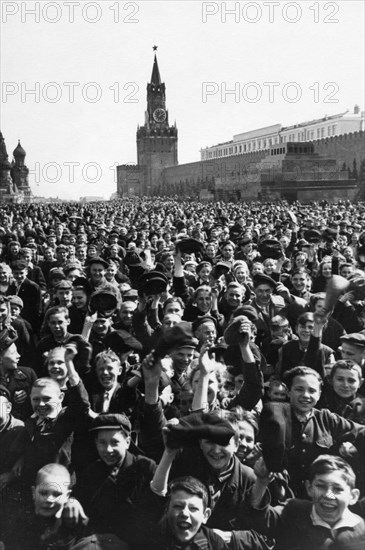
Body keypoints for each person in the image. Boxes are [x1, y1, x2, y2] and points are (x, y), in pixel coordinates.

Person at [251, 455, 365, 550]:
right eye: (320, 486)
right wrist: (261, 482)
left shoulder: (361, 532)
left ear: (353, 496)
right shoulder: (294, 510)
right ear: (309, 488)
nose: (328, 495)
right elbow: (258, 519)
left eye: (338, 489)